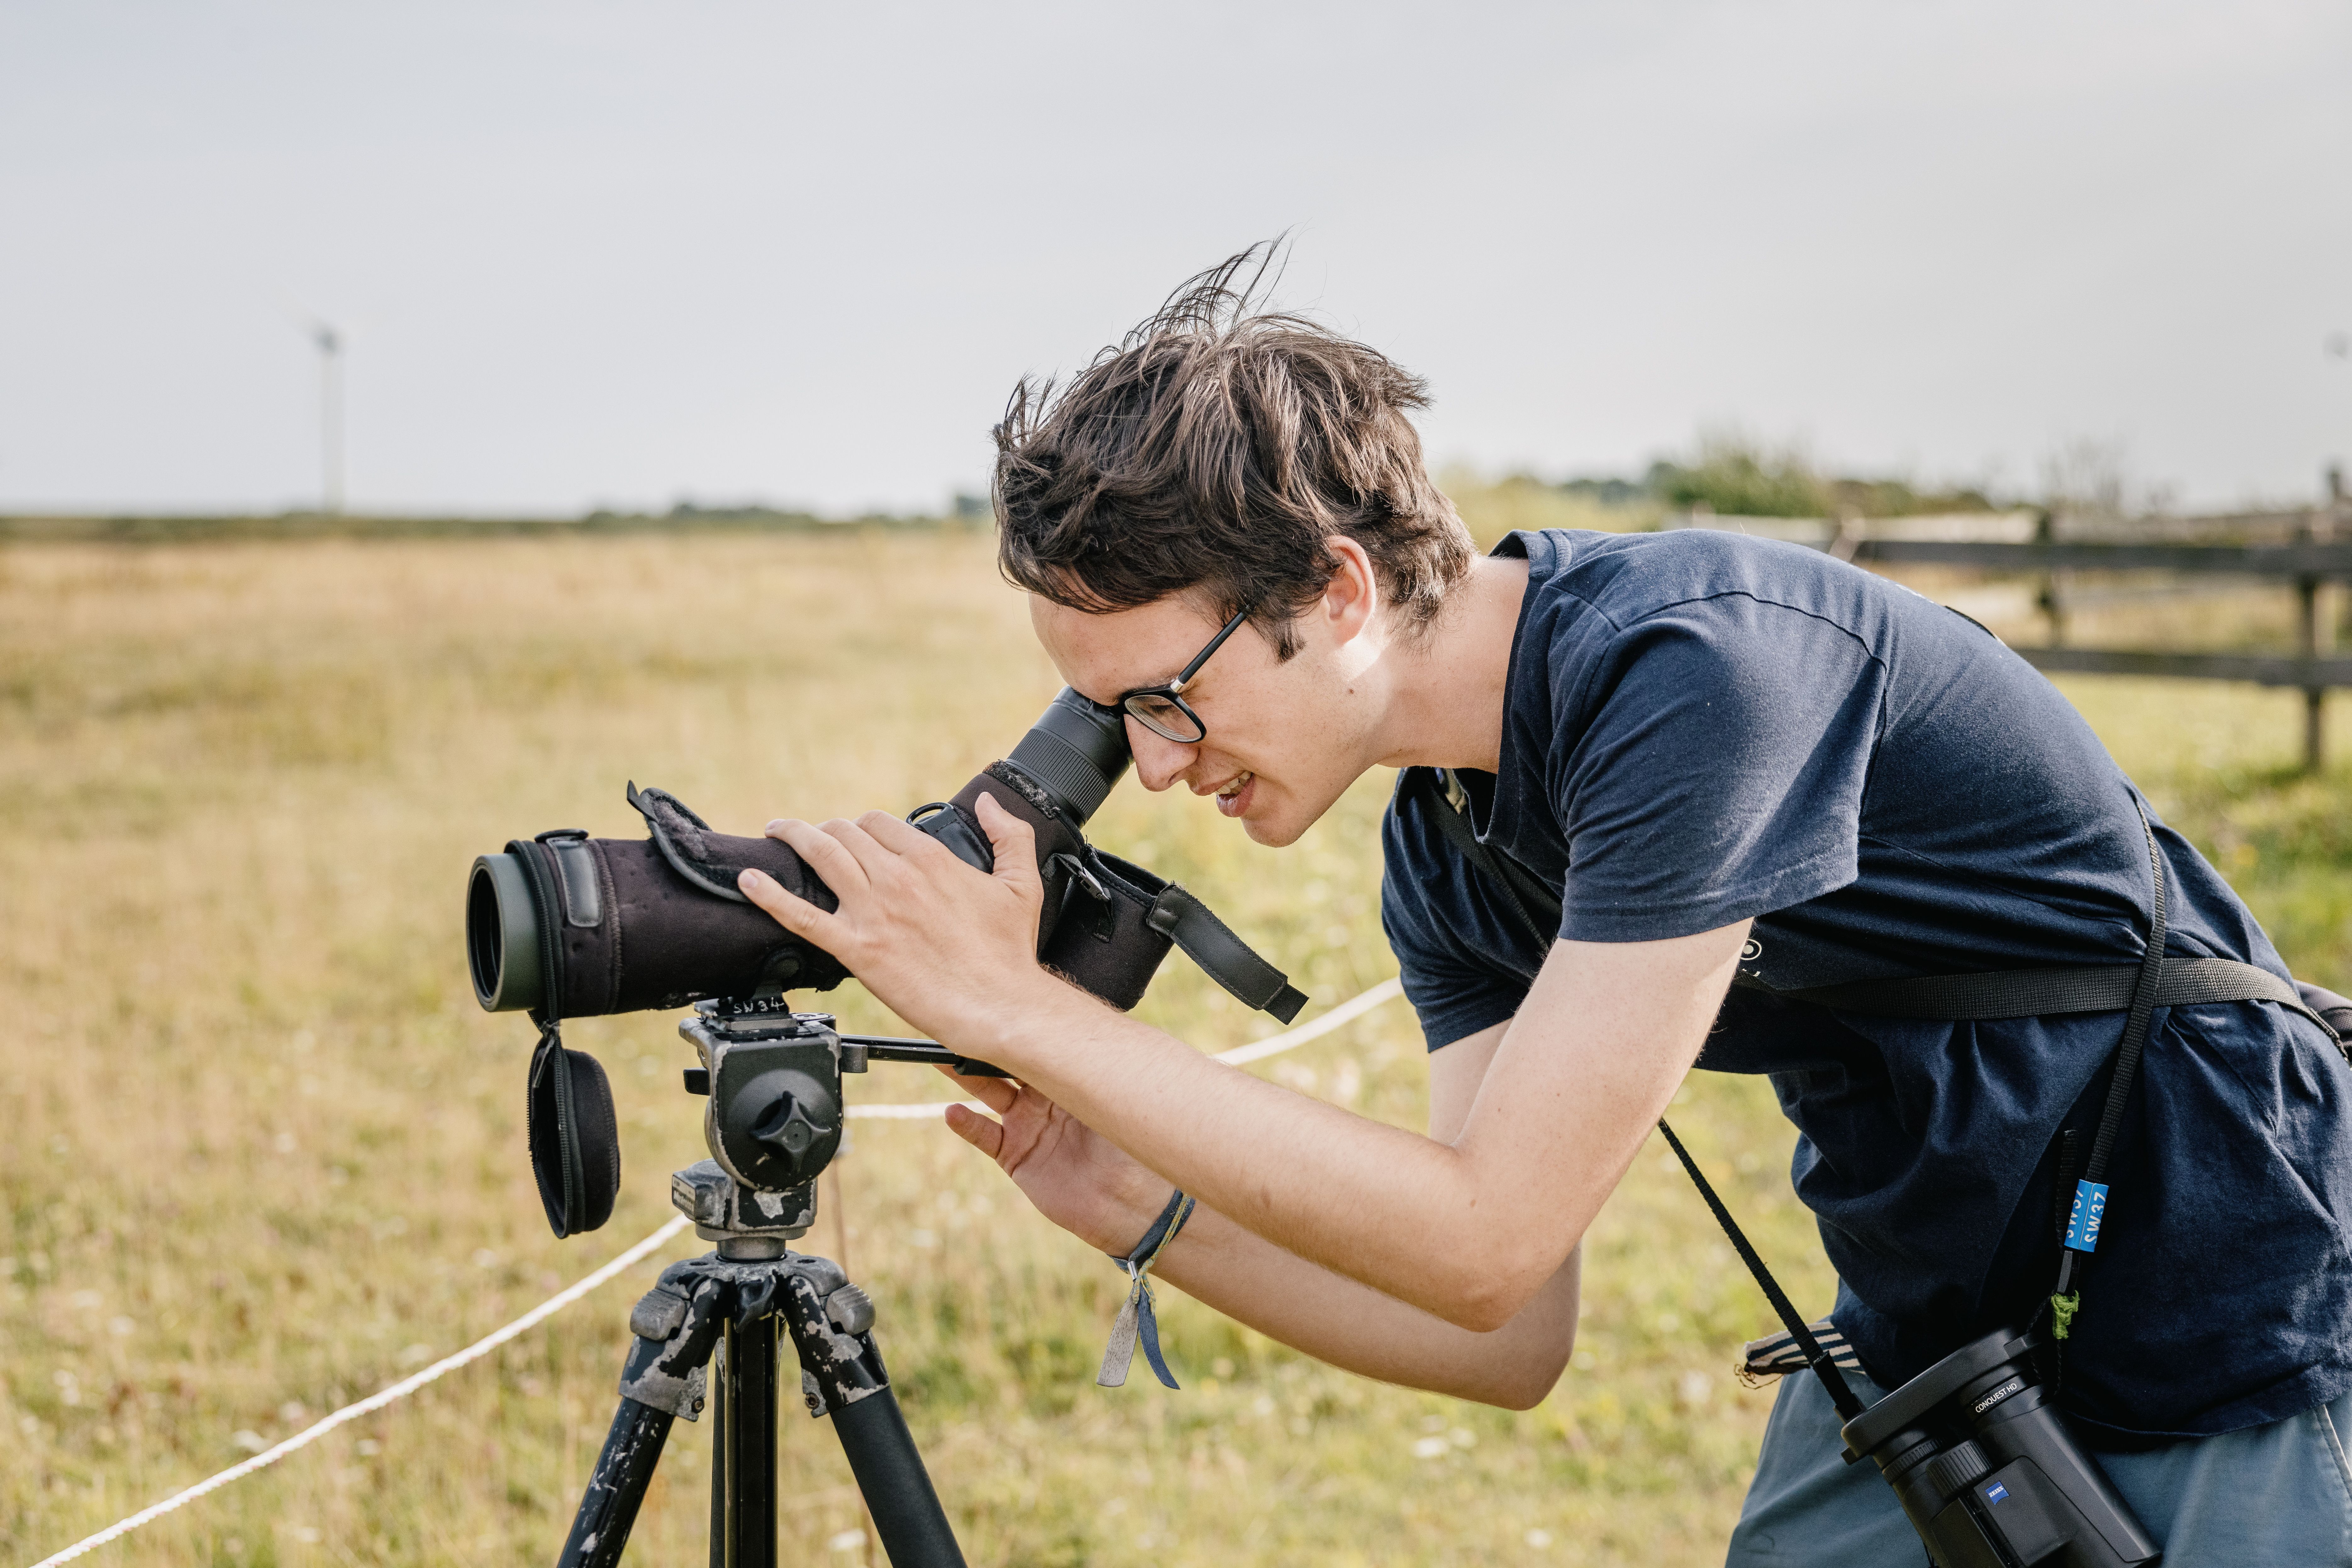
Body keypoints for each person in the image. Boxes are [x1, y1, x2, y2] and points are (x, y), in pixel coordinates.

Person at [736, 253, 2352, 1563]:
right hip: (1940, 1332)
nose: (1151, 769)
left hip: (2234, 1292)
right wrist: (1127, 1202)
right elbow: (1503, 1330)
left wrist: (1023, 1009)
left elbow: (1484, 1225)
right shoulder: (1446, 839)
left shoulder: (1696, 672)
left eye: (1162, 698)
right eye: (1112, 721)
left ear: (1340, 588)